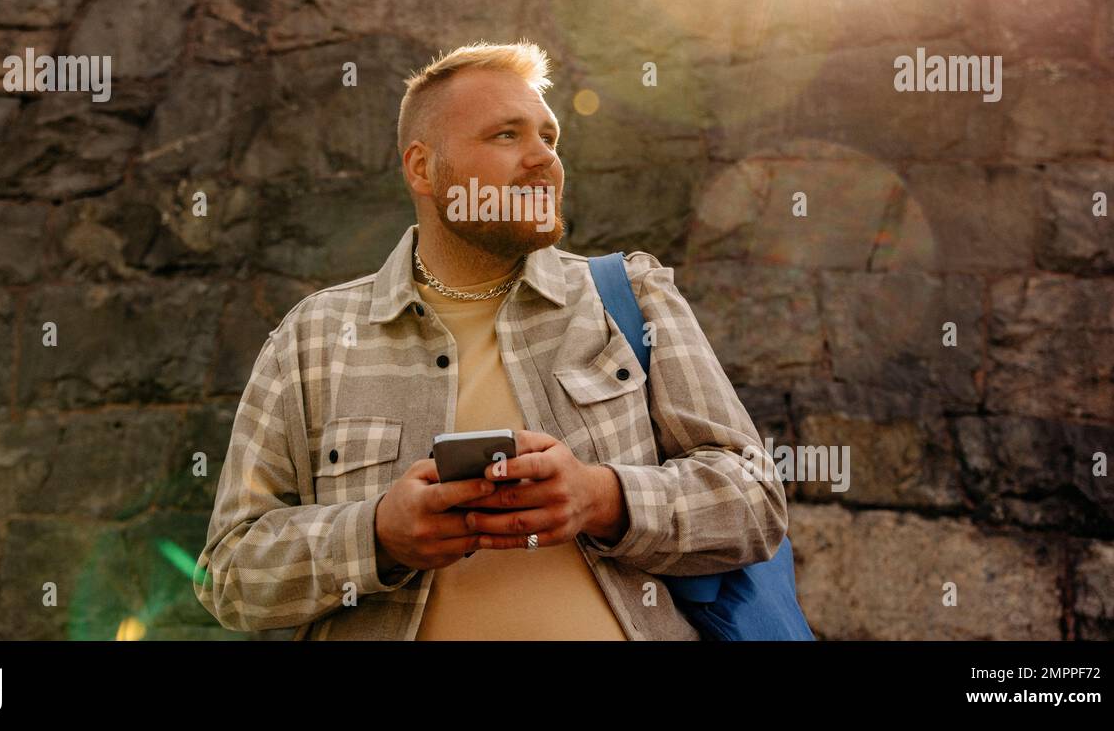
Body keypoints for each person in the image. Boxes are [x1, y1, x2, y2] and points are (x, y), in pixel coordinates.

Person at [193, 39, 788, 640]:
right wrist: (376, 536)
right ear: (422, 168)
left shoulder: (632, 296)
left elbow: (756, 501)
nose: (543, 159)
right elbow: (229, 576)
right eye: (507, 135)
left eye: (549, 138)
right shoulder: (313, 338)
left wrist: (600, 497)